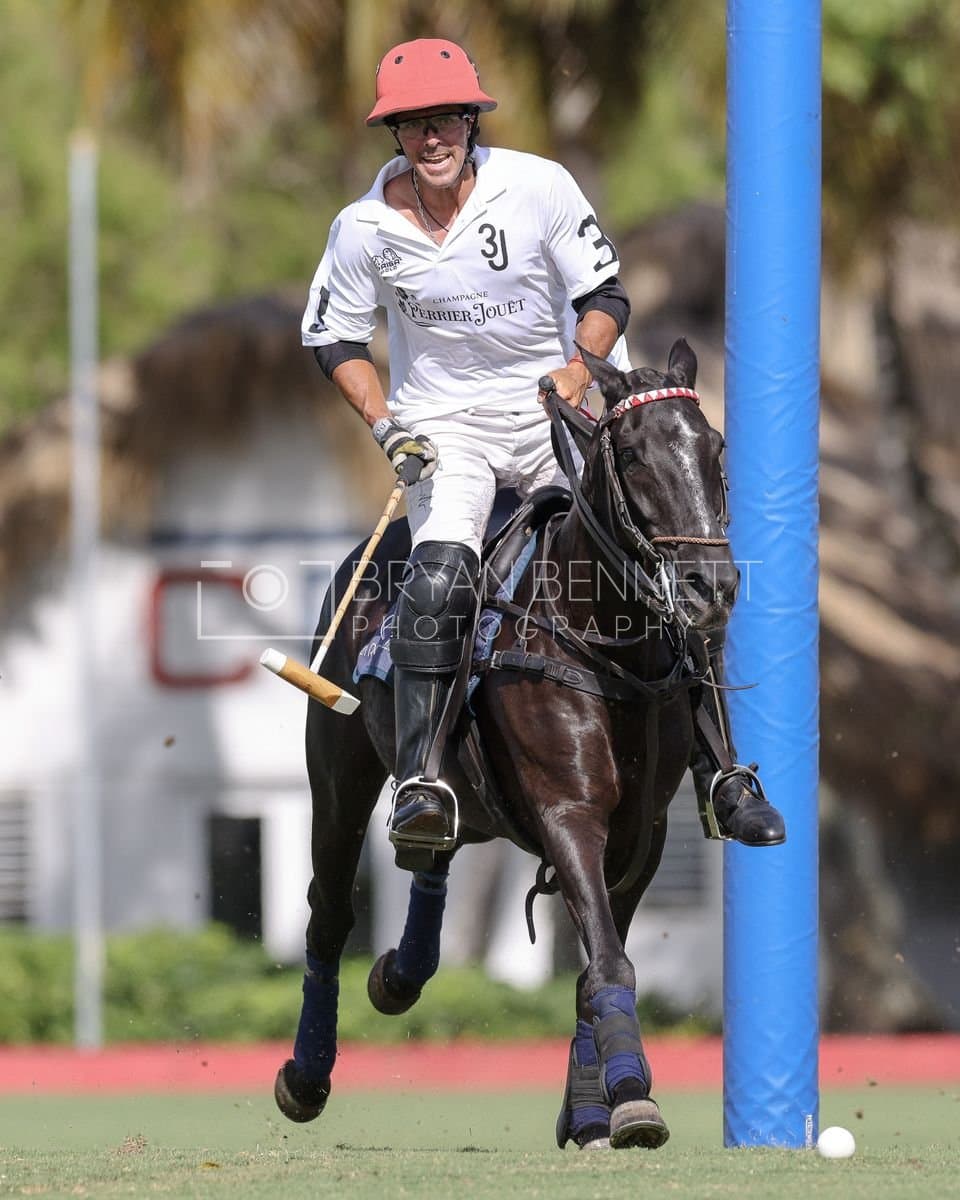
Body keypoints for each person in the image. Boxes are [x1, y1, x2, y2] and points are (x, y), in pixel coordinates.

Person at [301, 37, 785, 861]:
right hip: (447, 427)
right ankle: (422, 780)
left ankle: (722, 772)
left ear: (471, 120)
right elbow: (334, 338)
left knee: (664, 560)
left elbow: (605, 296)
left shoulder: (538, 186)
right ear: (395, 135)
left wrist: (575, 369)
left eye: (446, 119)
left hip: (556, 407)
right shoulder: (363, 228)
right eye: (413, 124)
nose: (432, 137)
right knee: (440, 574)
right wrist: (387, 425)